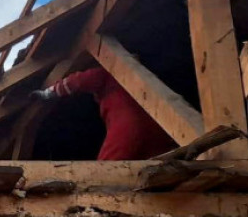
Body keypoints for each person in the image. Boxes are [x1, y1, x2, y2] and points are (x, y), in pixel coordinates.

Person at [31, 66, 177, 160]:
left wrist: (48, 93)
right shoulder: (146, 85)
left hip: (127, 127)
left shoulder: (108, 74)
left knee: (104, 170)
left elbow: (79, 81)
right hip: (160, 131)